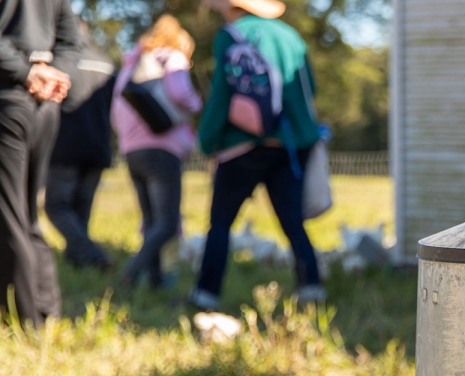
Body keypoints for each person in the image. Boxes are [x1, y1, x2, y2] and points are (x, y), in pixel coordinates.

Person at [189, 0, 323, 312]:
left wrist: (208, 141)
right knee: (292, 223)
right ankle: (312, 289)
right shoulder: (290, 35)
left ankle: (205, 296)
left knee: (221, 223)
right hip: (291, 144)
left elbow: (222, 94)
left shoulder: (231, 35)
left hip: (242, 147)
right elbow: (309, 88)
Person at [0, 0, 78, 327]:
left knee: (10, 214)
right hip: (45, 103)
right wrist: (54, 73)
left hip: (9, 98)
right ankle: (47, 309)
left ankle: (26, 319)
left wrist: (29, 72)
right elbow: (72, 42)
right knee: (28, 212)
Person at [111, 15, 202, 289]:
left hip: (132, 150)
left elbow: (116, 108)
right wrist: (198, 106)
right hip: (163, 148)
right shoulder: (172, 58)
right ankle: (131, 274)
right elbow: (181, 94)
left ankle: (156, 281)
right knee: (167, 222)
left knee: (151, 220)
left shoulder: (132, 64)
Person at [45, 21, 114, 270]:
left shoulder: (60, 63)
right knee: (80, 209)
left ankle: (92, 255)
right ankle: (79, 262)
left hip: (66, 147)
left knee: (56, 205)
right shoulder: (107, 63)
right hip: (99, 147)